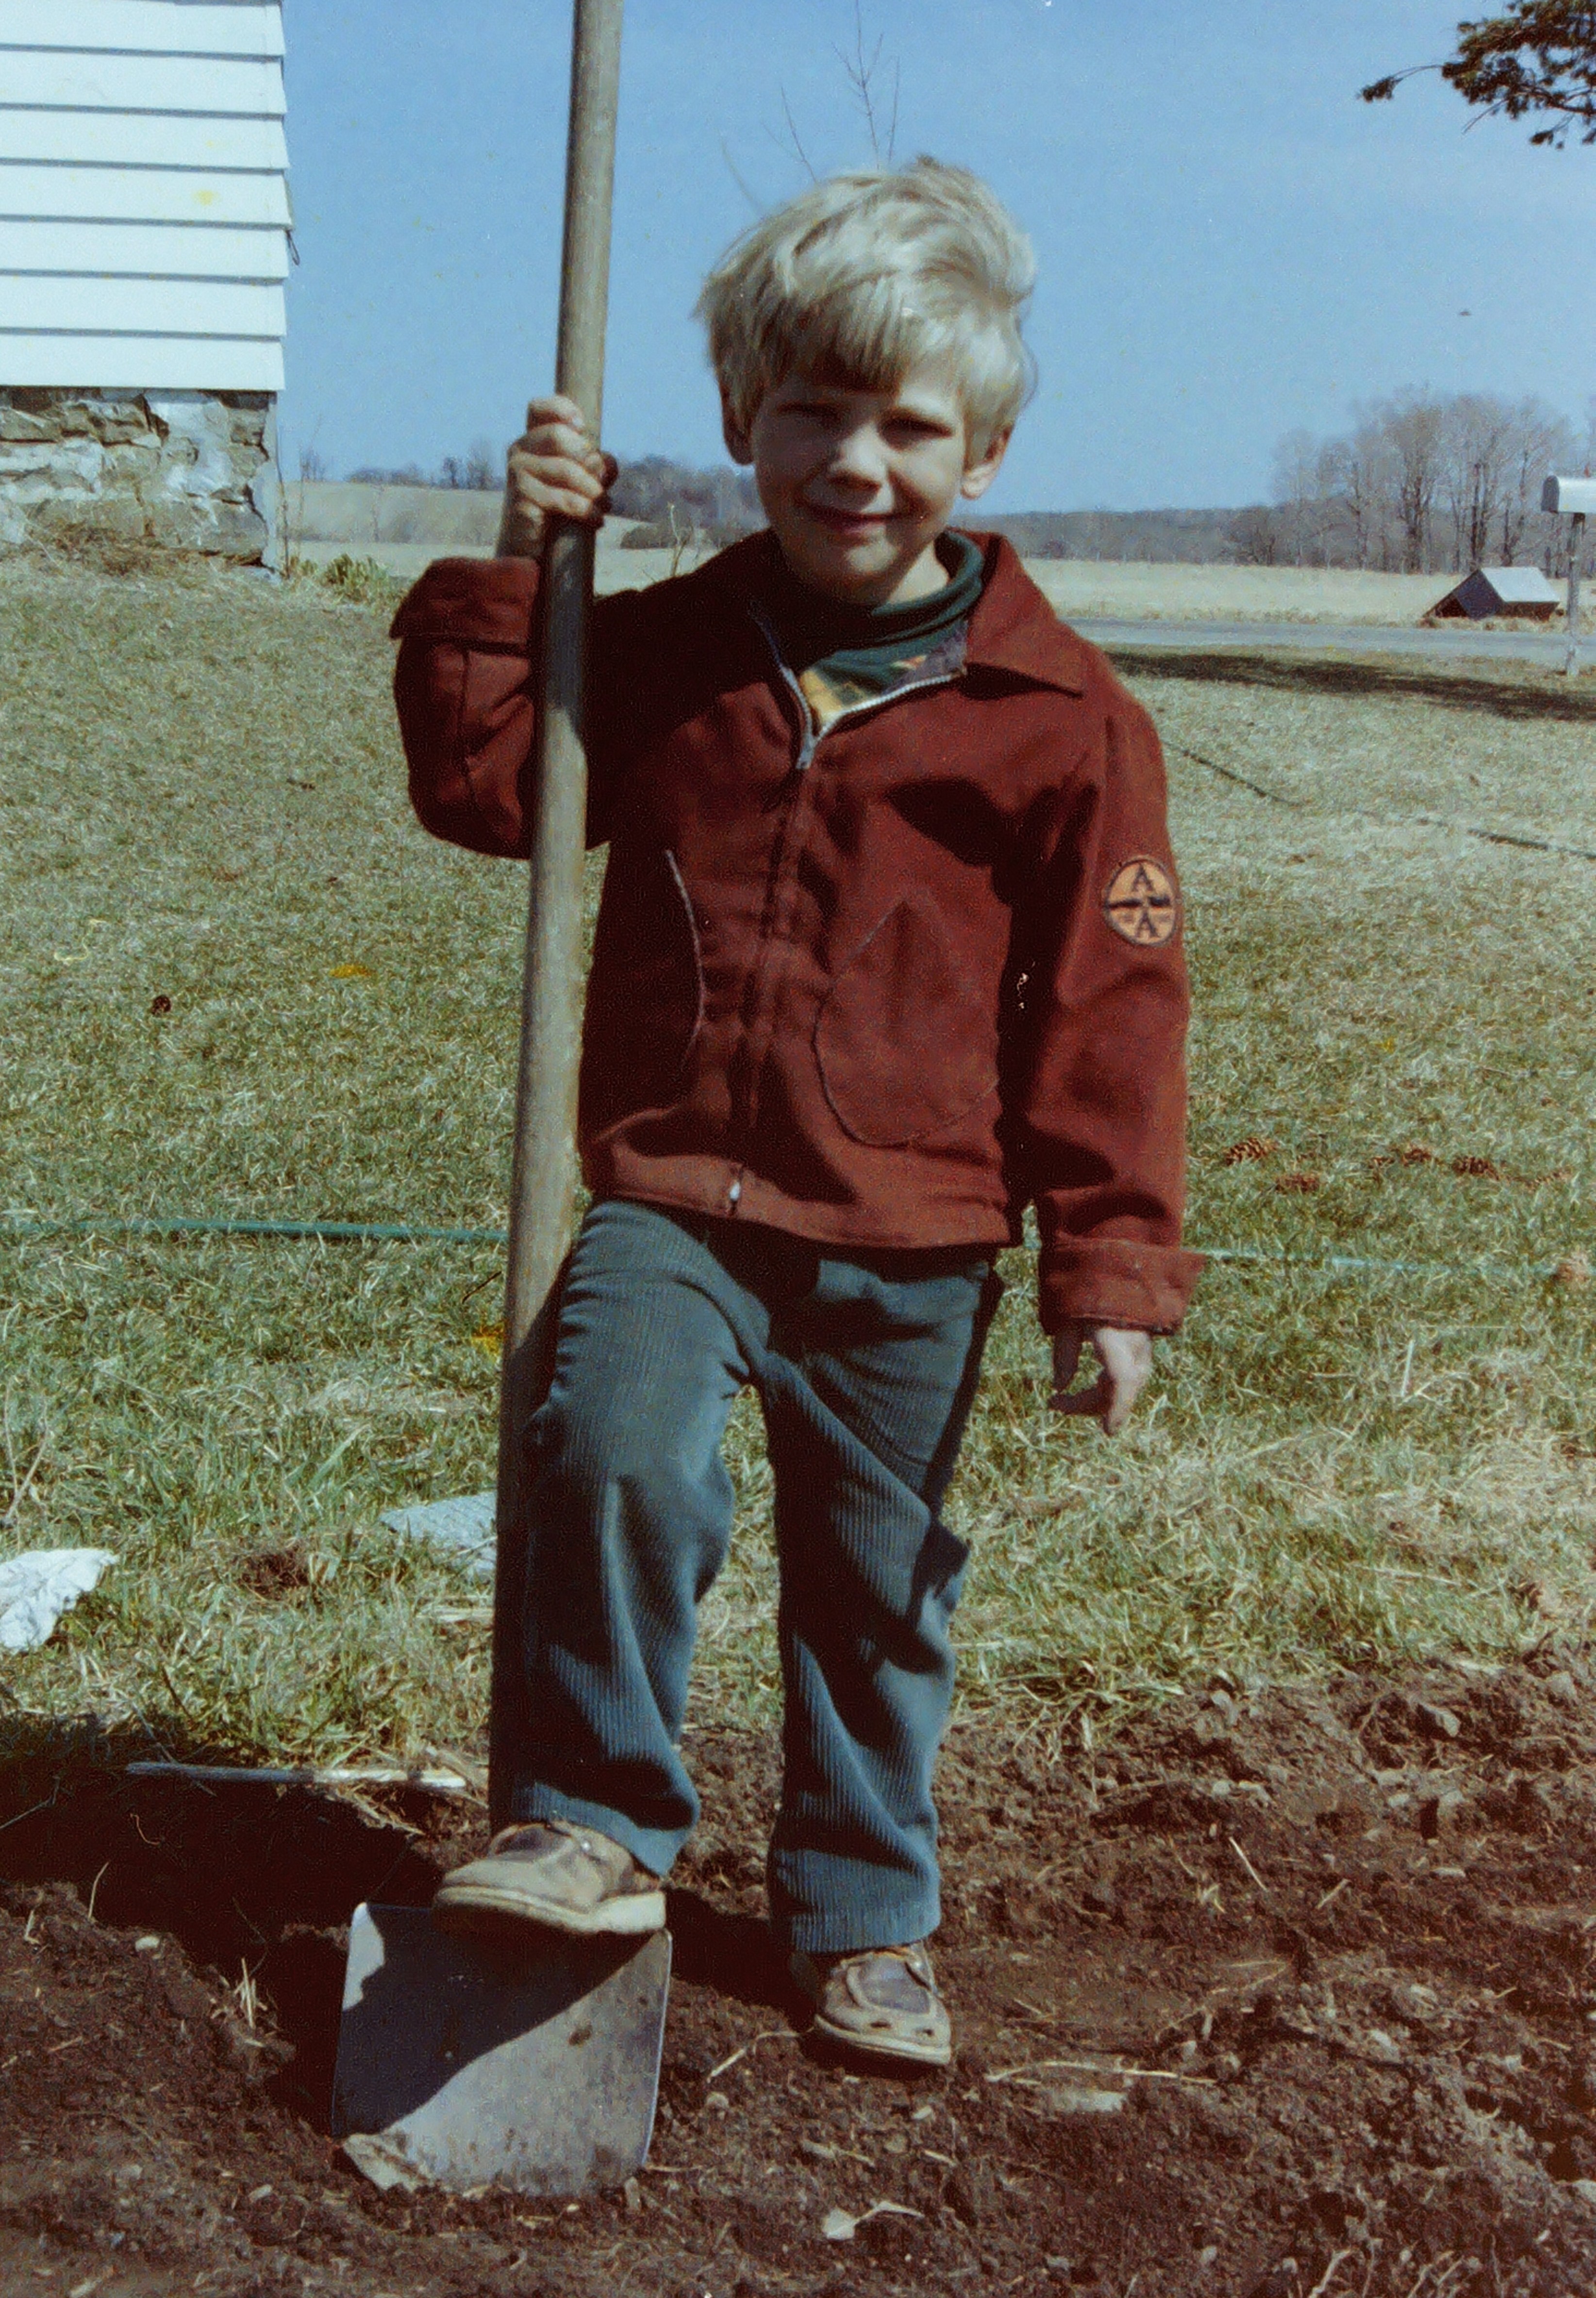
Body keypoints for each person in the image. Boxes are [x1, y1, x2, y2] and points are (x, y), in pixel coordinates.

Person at [390, 158, 1201, 2069]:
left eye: (910, 422)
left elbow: (1112, 1010)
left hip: (915, 1236)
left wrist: (1111, 1269)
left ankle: (863, 1912)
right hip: (679, 1189)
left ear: (984, 449)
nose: (857, 461)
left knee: (877, 1591)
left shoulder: (1060, 719)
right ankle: (589, 1823)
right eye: (812, 412)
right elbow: (493, 788)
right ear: (744, 421)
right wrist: (525, 574)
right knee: (605, 1446)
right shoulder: (660, 653)